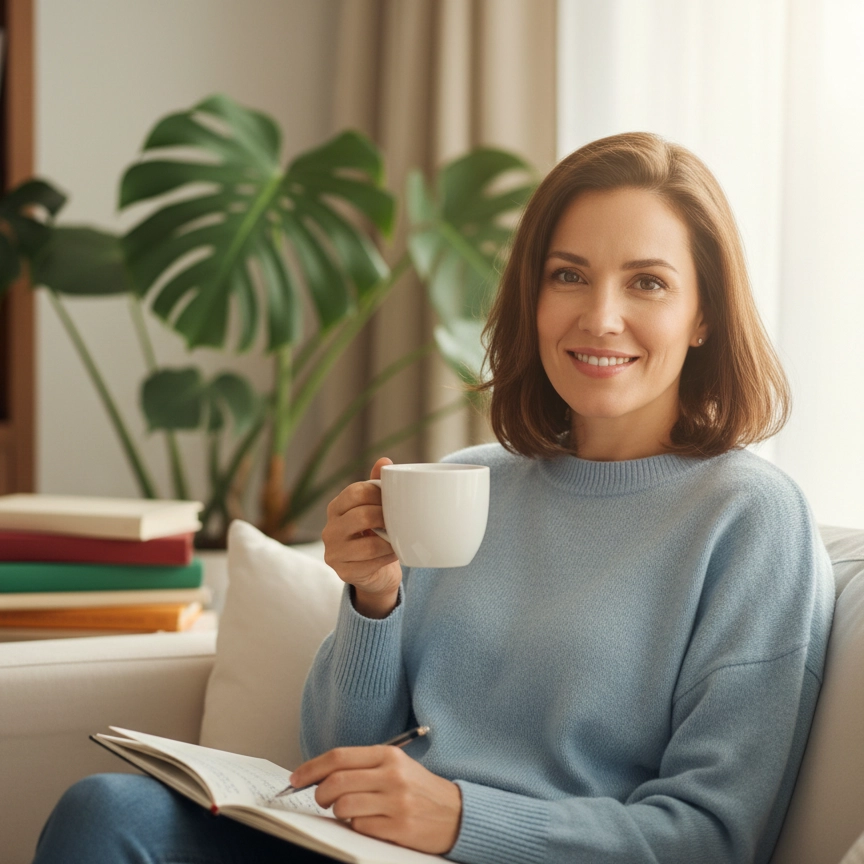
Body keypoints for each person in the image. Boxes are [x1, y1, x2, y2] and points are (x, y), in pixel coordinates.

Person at [32, 132, 834, 864]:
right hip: (356, 848)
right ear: (533, 295)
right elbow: (339, 748)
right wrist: (374, 599)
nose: (601, 316)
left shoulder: (750, 519)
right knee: (109, 812)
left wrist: (460, 819)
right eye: (568, 276)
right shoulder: (467, 482)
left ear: (703, 316)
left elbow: (712, 839)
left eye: (648, 283)